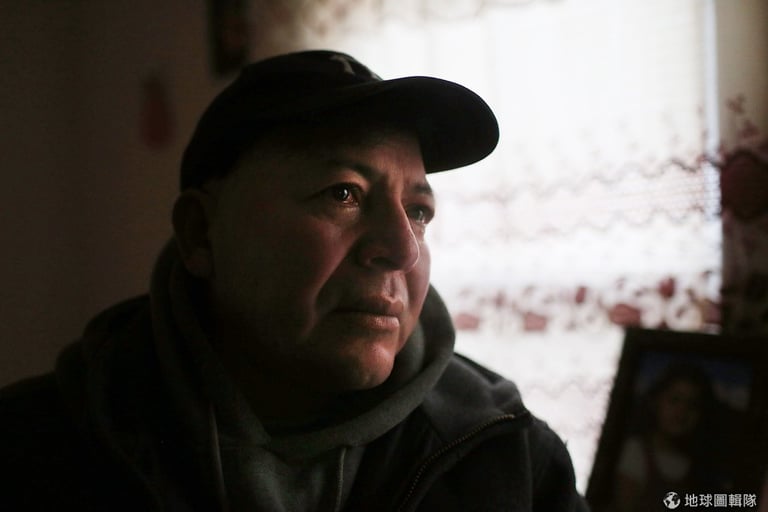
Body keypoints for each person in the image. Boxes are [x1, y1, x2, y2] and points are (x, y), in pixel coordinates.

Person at [0, 50, 587, 511]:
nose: (403, 251)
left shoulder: (510, 457)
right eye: (344, 193)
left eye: (418, 211)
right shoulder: (33, 451)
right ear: (201, 233)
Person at [612, 362, 728, 512]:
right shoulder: (635, 452)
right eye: (674, 400)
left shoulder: (700, 465)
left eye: (693, 404)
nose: (682, 411)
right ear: (656, 402)